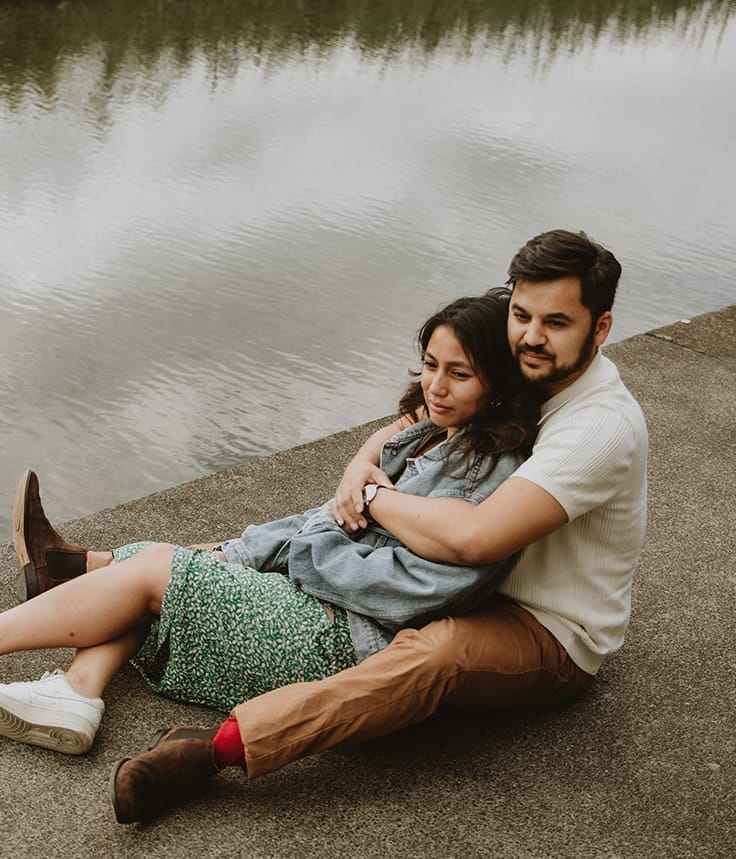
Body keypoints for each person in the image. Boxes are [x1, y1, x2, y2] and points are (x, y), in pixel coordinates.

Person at [102, 228, 649, 823]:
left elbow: (476, 537)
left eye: (557, 322)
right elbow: (410, 420)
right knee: (294, 538)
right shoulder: (525, 367)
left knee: (436, 655)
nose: (531, 337)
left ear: (600, 327)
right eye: (521, 314)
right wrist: (360, 465)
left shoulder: (598, 426)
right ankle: (98, 574)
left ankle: (214, 751)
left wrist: (368, 494)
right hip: (462, 582)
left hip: (544, 626)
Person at [0, 291, 541, 764]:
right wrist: (352, 477)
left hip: (345, 640)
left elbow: (419, 586)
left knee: (157, 570)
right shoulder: (433, 433)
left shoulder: (491, 470)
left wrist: (314, 542)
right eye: (430, 364)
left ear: (497, 381)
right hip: (320, 609)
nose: (437, 384)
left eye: (459, 372)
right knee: (152, 558)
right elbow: (352, 489)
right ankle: (77, 691)